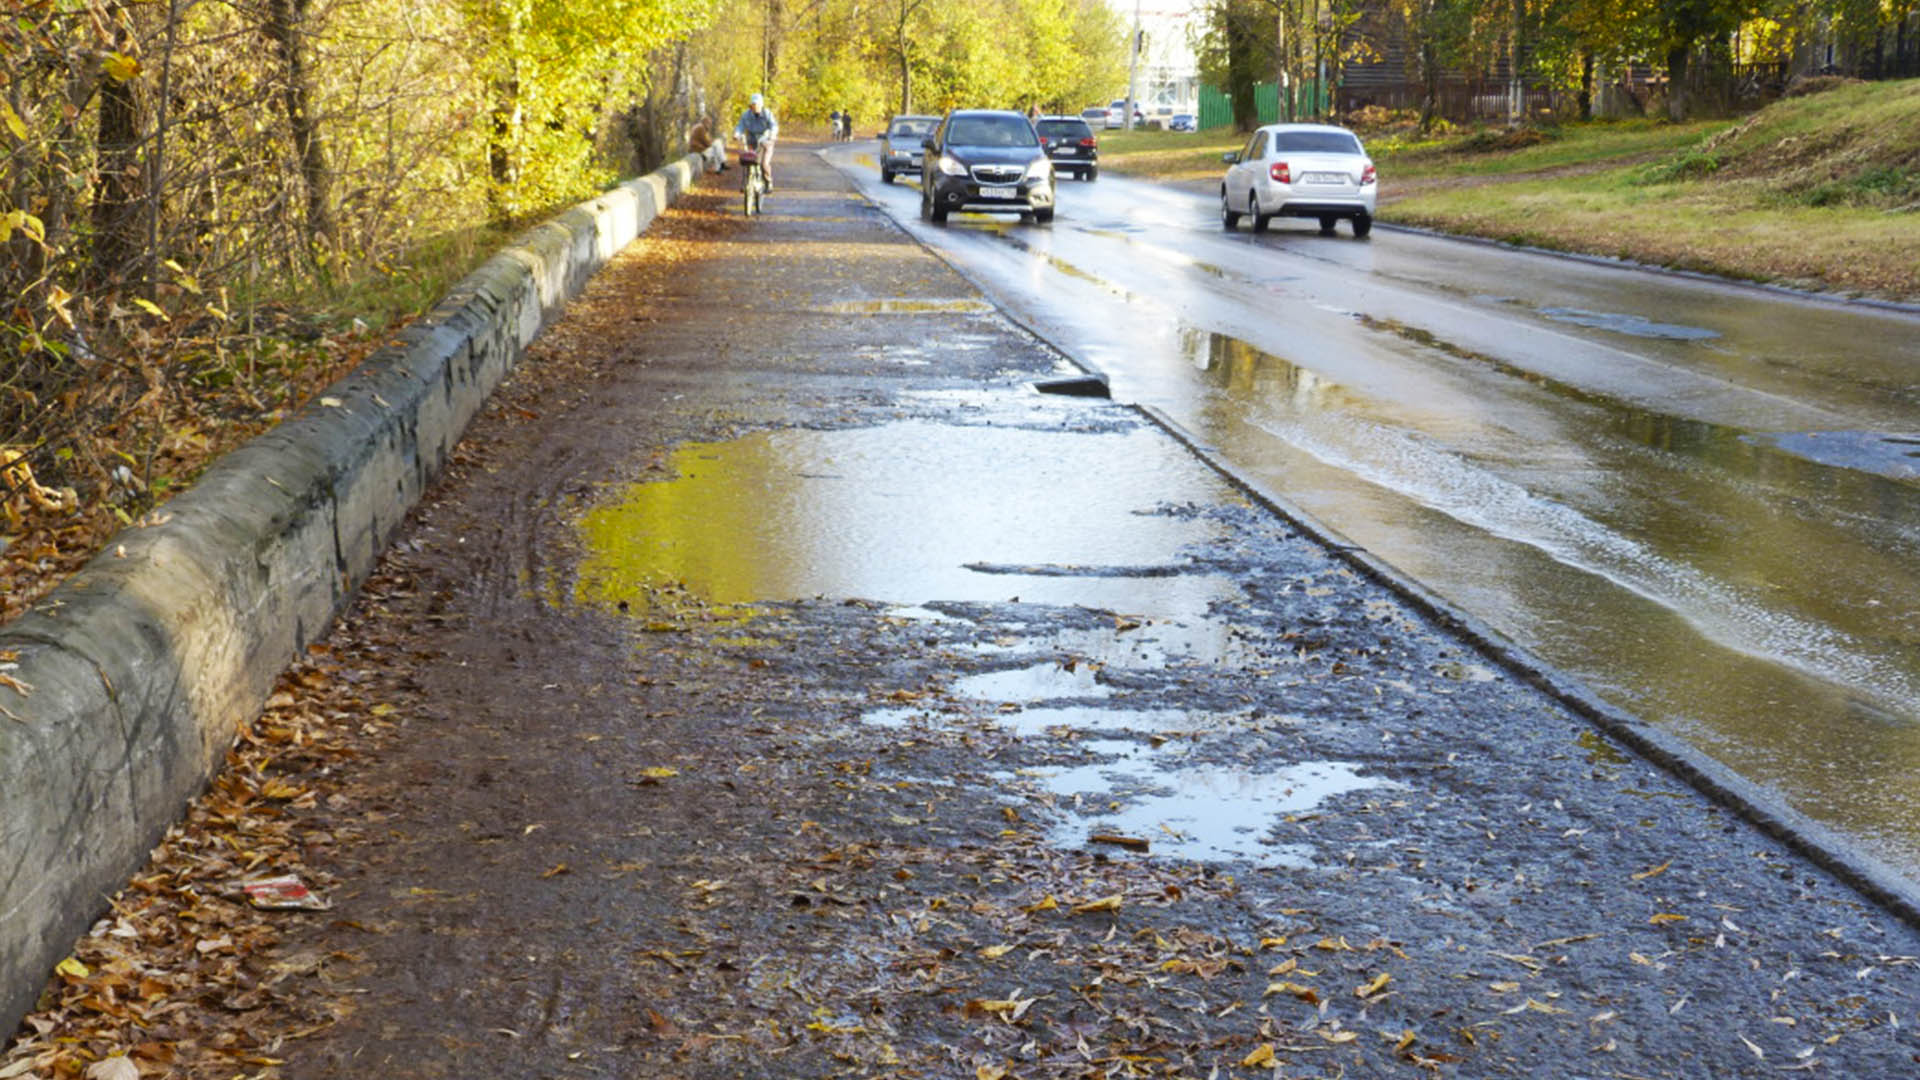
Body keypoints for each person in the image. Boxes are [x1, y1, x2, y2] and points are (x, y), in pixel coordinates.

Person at [734, 92, 779, 190]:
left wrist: (772, 135)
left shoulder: (767, 113)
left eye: (757, 105)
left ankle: (768, 182)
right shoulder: (746, 115)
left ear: (761, 105)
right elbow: (740, 126)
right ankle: (746, 183)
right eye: (753, 105)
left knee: (764, 164)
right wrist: (737, 134)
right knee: (748, 161)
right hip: (752, 141)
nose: (754, 107)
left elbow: (774, 125)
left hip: (766, 141)